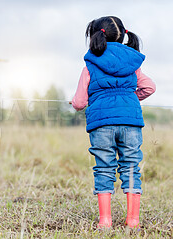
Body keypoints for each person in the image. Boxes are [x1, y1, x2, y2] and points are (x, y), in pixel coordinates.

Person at [71, 16, 156, 229]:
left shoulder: (90, 63)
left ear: (96, 35)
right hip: (130, 121)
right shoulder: (132, 62)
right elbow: (150, 87)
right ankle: (133, 221)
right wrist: (128, 99)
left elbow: (80, 102)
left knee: (104, 168)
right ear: (123, 35)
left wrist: (76, 103)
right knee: (131, 167)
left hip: (101, 124)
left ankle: (105, 221)